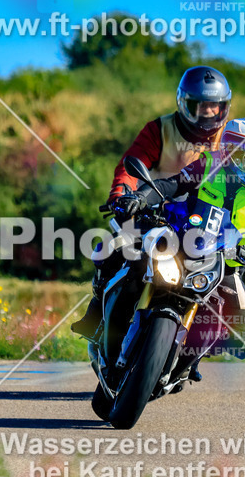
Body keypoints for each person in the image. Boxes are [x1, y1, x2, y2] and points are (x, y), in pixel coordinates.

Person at [72, 66, 232, 340]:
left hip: (207, 223)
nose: (206, 113)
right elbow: (130, 164)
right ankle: (96, 313)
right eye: (198, 106)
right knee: (115, 248)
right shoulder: (160, 129)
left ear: (224, 107)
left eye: (213, 107)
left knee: (227, 283)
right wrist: (122, 195)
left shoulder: (230, 138)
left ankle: (202, 344)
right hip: (153, 209)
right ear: (183, 103)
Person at [115, 118, 245, 362]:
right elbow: (170, 186)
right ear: (235, 154)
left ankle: (189, 358)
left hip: (228, 262)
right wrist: (141, 198)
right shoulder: (210, 165)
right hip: (183, 242)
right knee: (132, 262)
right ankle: (105, 326)